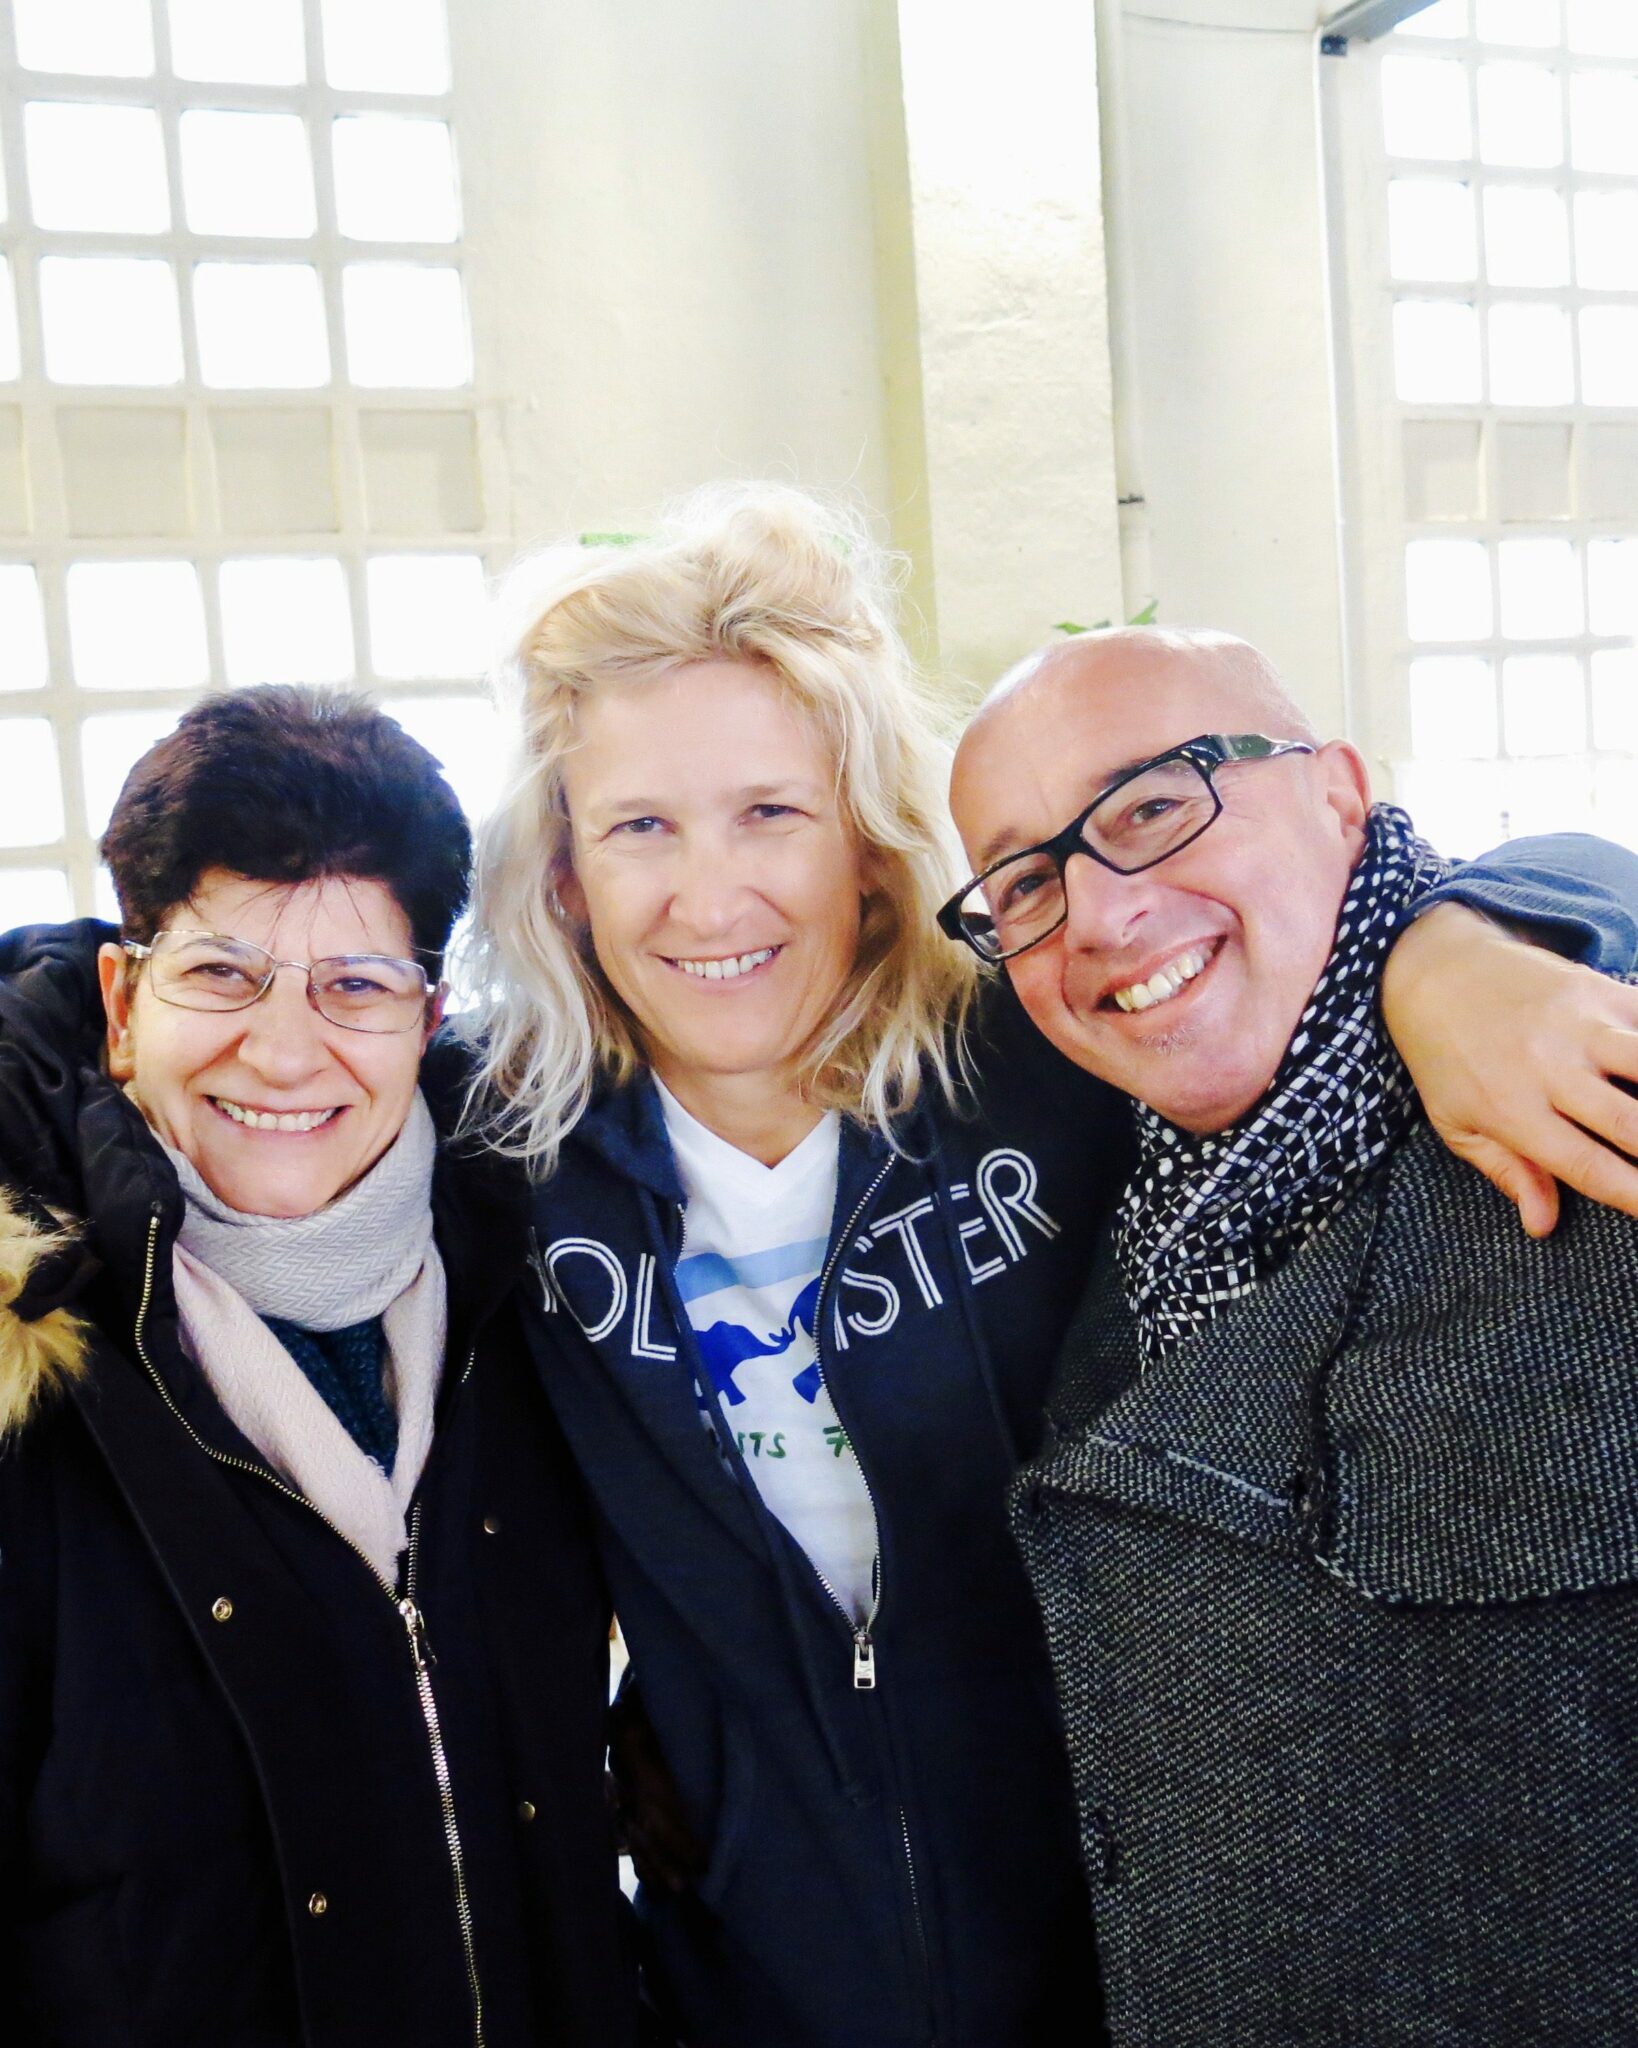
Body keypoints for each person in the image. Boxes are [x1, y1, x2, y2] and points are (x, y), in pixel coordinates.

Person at [464, 486, 1638, 2048]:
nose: (711, 893)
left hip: (1128, 1957)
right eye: (638, 828)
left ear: (867, 847)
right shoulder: (496, 1156)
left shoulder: (1044, 1056)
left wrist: (1473, 947)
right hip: (756, 1981)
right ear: (562, 873)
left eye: (769, 813)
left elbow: (1363, 917)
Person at [944, 625, 1638, 2045]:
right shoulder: (1093, 1208)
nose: (1096, 913)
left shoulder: (1580, 1106)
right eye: (1023, 882)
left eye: (1152, 803)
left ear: (1339, 793)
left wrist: (1494, 933)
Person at [0, 688, 636, 2048]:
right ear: (123, 1003)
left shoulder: (543, 1286)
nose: (285, 1052)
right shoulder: (29, 1364)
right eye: (220, 975)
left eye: (356, 985)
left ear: (429, 1014)